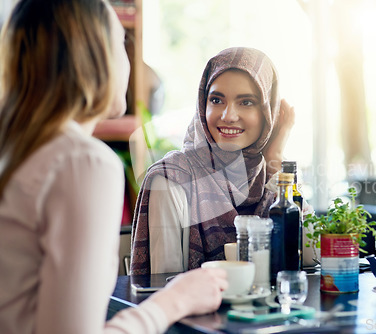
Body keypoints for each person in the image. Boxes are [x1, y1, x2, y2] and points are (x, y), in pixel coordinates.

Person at [0, 1, 227, 334]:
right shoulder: (81, 162)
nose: (131, 62)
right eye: (122, 42)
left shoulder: (17, 150)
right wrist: (174, 301)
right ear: (92, 55)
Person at [131, 47, 295, 275]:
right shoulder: (171, 180)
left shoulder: (272, 177)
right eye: (216, 100)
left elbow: (306, 255)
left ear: (269, 112)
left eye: (246, 102)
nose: (228, 115)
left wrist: (275, 158)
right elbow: (164, 286)